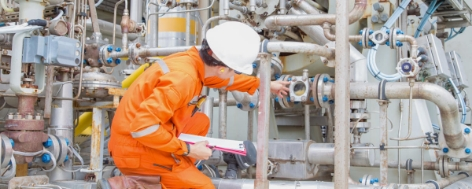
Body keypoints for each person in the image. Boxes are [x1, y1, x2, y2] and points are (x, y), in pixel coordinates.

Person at [108, 21, 290, 189]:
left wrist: (263, 84)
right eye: (234, 69)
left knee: (200, 121)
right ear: (221, 67)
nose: (233, 74)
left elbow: (223, 80)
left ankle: (179, 167)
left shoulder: (194, 62)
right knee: (204, 186)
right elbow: (143, 128)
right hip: (136, 149)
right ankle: (155, 175)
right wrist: (188, 149)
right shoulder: (183, 79)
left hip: (143, 137)